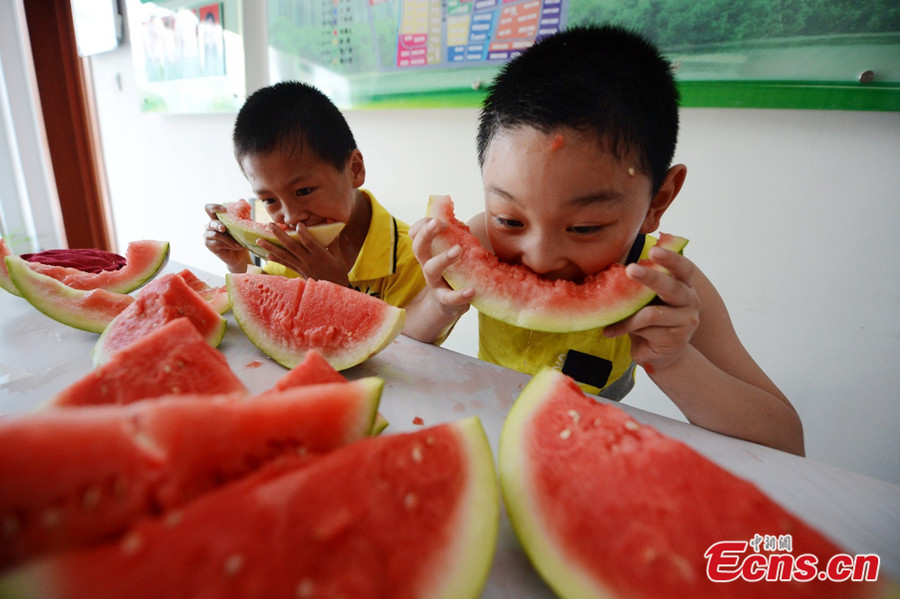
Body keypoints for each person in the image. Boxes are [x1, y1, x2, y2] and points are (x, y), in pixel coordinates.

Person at [403, 24, 804, 456]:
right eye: (510, 219)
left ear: (658, 200)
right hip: (488, 426)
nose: (540, 258)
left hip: (588, 445)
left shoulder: (665, 285)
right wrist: (436, 306)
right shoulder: (478, 240)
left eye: (584, 228)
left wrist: (676, 362)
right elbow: (405, 343)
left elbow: (784, 437)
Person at [204, 81, 425, 309]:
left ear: (355, 169)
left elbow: (398, 343)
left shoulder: (412, 258)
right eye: (269, 200)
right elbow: (270, 307)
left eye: (303, 191)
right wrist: (238, 262)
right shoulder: (290, 245)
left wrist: (336, 289)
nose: (290, 218)